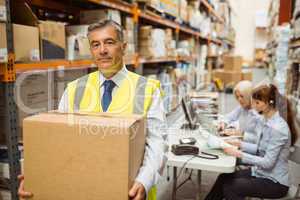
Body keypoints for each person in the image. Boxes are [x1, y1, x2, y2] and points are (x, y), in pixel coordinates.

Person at [18, 20, 168, 200]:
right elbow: (59, 142)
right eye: (95, 45)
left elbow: (157, 144)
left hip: (128, 192)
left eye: (109, 42)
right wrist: (38, 176)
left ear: (124, 46)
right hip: (83, 190)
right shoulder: (74, 89)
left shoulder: (147, 89)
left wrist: (143, 182)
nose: (102, 50)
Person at [205, 84, 298, 200]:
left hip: (275, 182)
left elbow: (268, 162)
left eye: (256, 103)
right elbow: (259, 149)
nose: (253, 106)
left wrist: (239, 154)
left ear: (269, 103)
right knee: (223, 177)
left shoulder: (278, 129)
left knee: (231, 187)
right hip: (261, 173)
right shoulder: (266, 120)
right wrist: (239, 144)